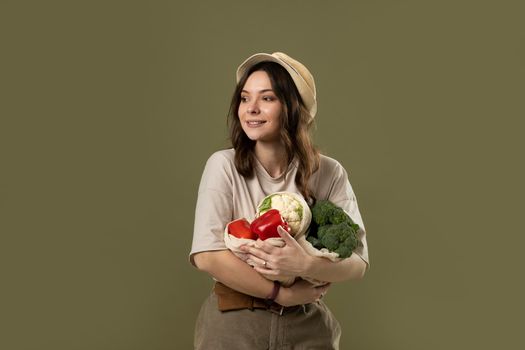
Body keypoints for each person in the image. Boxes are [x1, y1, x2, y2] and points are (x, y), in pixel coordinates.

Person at [189, 52, 370, 350]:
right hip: (234, 322)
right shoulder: (223, 166)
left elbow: (357, 263)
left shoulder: (329, 172)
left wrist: (306, 264)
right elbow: (207, 255)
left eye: (267, 98)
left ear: (295, 108)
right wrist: (279, 293)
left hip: (307, 323)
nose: (251, 109)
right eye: (245, 99)